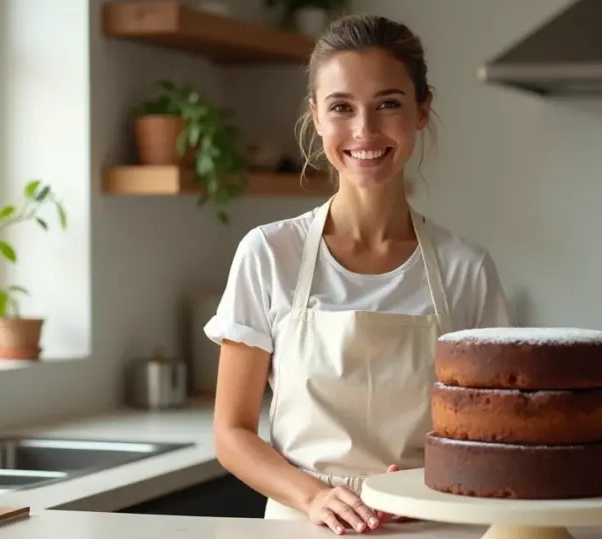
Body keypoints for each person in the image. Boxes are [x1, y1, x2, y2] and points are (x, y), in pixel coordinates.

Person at [206, 13, 510, 536]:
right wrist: (316, 496)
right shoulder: (268, 254)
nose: (364, 131)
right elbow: (231, 432)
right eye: (341, 108)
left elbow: (495, 430)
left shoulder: (467, 269)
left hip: (431, 522)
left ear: (422, 109)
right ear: (317, 117)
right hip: (300, 523)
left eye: (388, 104)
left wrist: (434, 485)